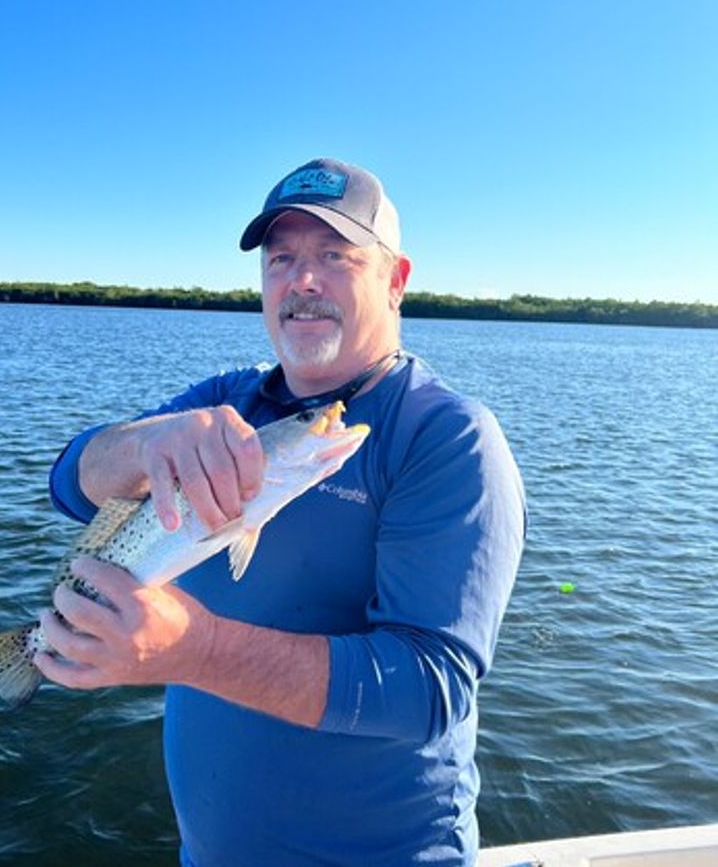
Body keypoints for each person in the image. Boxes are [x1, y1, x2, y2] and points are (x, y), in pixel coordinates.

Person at [39, 157, 526, 866]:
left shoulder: (446, 437)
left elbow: (429, 689)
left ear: (395, 280)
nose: (303, 280)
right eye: (282, 259)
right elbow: (68, 484)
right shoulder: (224, 401)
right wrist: (144, 445)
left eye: (334, 256)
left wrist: (192, 649)